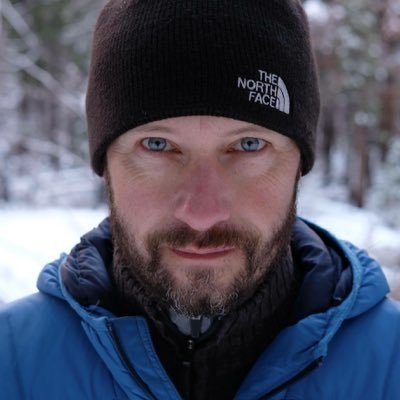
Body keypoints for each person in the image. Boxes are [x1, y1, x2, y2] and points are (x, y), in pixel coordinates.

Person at [1, 0, 400, 399]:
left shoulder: (390, 365)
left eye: (249, 144)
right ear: (105, 163)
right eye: (157, 145)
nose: (202, 213)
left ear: (299, 162)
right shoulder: (13, 363)